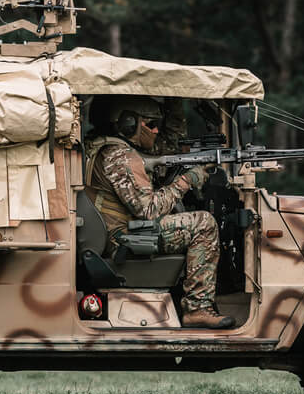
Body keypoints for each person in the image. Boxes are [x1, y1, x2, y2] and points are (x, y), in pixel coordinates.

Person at [86, 96, 236, 329]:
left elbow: (169, 143)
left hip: (116, 230)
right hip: (121, 238)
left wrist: (174, 99)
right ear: (128, 123)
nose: (157, 131)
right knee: (203, 223)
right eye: (151, 124)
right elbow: (149, 210)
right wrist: (187, 180)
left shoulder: (103, 145)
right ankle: (197, 308)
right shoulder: (120, 157)